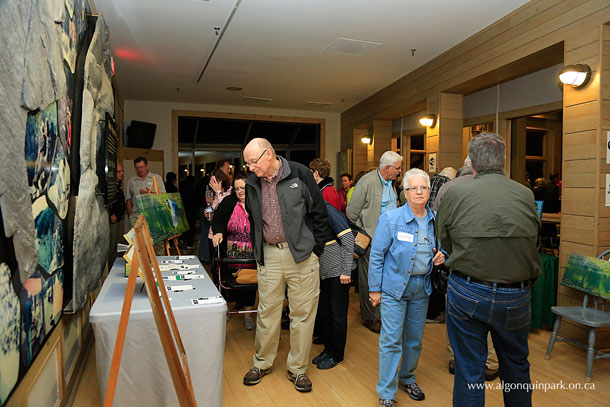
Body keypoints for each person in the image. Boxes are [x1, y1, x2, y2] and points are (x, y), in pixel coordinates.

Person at [436, 133, 541, 407]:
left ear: (472, 163)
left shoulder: (455, 191)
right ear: (503, 162)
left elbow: (444, 241)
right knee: (516, 364)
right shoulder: (525, 193)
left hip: (468, 289)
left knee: (469, 367)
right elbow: (533, 238)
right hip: (516, 293)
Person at [241, 138, 328, 393]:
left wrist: (316, 249)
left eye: (253, 162)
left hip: (301, 255)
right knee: (267, 312)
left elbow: (319, 212)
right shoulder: (251, 183)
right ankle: (261, 363)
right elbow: (253, 218)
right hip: (269, 256)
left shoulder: (300, 173)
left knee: (302, 315)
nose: (250, 168)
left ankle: (298, 369)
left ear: (269, 155)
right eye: (247, 163)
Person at [369, 168, 445, 406]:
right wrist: (374, 288)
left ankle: (407, 377)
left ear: (429, 191)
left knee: (414, 340)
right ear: (405, 192)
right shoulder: (391, 219)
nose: (419, 192)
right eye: (414, 188)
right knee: (391, 340)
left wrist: (442, 255)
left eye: (423, 187)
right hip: (394, 289)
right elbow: (377, 256)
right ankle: (386, 393)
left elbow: (442, 248)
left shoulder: (435, 220)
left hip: (421, 289)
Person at [432, 157, 500, 382]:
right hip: (490, 260)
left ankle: (455, 359)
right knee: (488, 314)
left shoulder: (448, 187)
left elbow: (438, 224)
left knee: (455, 313)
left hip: (457, 260)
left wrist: (446, 252)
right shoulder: (495, 186)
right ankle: (490, 363)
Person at [346, 151, 402, 334]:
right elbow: (351, 213)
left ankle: (382, 313)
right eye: (398, 168)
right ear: (387, 168)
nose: (400, 172)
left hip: (390, 241)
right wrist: (366, 234)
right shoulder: (367, 182)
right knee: (369, 280)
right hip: (371, 241)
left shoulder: (391, 183)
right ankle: (370, 316)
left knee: (385, 279)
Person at [311, 202, 354, 370]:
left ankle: (337, 355)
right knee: (325, 313)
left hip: (339, 273)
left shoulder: (328, 210)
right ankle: (328, 350)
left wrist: (346, 271)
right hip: (324, 273)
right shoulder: (312, 210)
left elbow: (348, 238)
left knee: (338, 316)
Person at [212, 172, 256, 330]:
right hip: (230, 254)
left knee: (250, 285)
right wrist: (218, 232)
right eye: (237, 188)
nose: (240, 191)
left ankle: (248, 316)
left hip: (252, 256)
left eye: (243, 188)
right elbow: (217, 220)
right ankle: (228, 312)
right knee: (229, 286)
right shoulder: (229, 202)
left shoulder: (257, 202)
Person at [125, 157, 165, 227]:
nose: (139, 170)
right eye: (137, 167)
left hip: (154, 217)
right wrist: (130, 216)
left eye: (141, 167)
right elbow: (128, 199)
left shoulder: (157, 178)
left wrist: (149, 194)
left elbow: (163, 196)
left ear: (146, 166)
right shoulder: (131, 181)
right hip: (136, 217)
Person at [108, 163, 125, 265]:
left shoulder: (118, 185)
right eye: (119, 172)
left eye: (122, 171)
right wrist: (111, 214)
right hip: (112, 220)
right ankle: (111, 268)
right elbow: (108, 202)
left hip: (119, 219)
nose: (121, 174)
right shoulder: (110, 186)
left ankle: (116, 265)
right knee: (112, 247)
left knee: (117, 245)